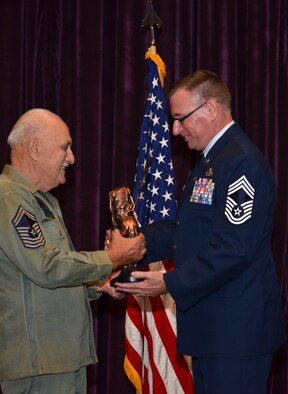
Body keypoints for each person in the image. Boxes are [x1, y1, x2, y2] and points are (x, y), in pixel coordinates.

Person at [115, 70, 286, 394]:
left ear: (210, 109)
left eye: (180, 118)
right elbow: (189, 230)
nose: (175, 129)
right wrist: (137, 243)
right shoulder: (212, 161)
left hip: (236, 333)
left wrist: (168, 281)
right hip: (214, 329)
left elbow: (233, 248)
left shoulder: (242, 163)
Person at [0, 108, 146, 394]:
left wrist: (97, 283)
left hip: (61, 357)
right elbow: (47, 267)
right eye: (65, 147)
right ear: (35, 148)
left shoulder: (41, 201)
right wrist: (113, 257)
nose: (72, 158)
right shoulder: (7, 198)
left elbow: (41, 279)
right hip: (39, 362)